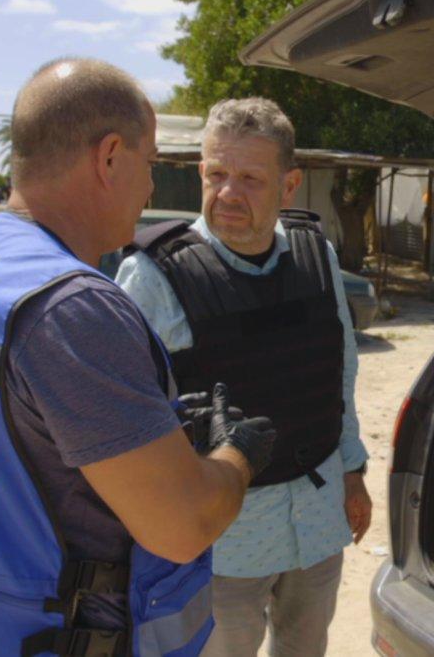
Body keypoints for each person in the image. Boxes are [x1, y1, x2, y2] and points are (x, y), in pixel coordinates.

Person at [0, 58, 276, 656]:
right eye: (149, 164)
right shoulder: (71, 309)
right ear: (109, 158)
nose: (151, 188)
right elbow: (182, 527)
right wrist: (237, 455)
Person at [117, 97, 372, 657]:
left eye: (251, 178)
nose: (228, 194)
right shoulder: (153, 275)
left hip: (317, 519)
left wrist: (353, 471)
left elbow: (340, 371)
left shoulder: (317, 255)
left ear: (289, 187)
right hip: (222, 543)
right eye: (216, 174)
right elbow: (128, 427)